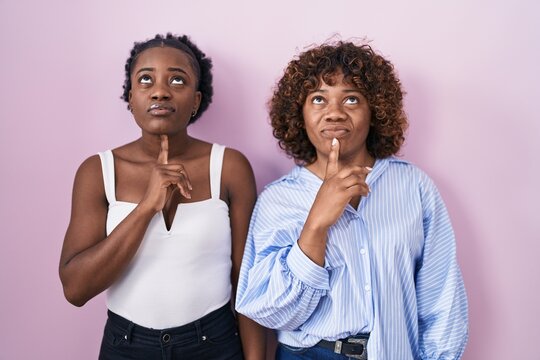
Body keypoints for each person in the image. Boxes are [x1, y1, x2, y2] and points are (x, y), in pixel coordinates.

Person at [235, 40, 468, 359]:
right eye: (318, 99)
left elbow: (442, 296)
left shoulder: (413, 186)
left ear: (374, 112)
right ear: (299, 114)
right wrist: (316, 224)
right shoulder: (277, 200)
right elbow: (273, 312)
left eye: (352, 99)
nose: (334, 113)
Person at [59, 33, 266, 360]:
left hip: (214, 343)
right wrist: (146, 207)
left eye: (177, 80)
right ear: (130, 97)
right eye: (146, 80)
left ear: (196, 101)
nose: (160, 91)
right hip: (126, 346)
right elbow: (75, 289)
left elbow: (248, 280)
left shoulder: (229, 167)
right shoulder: (98, 171)